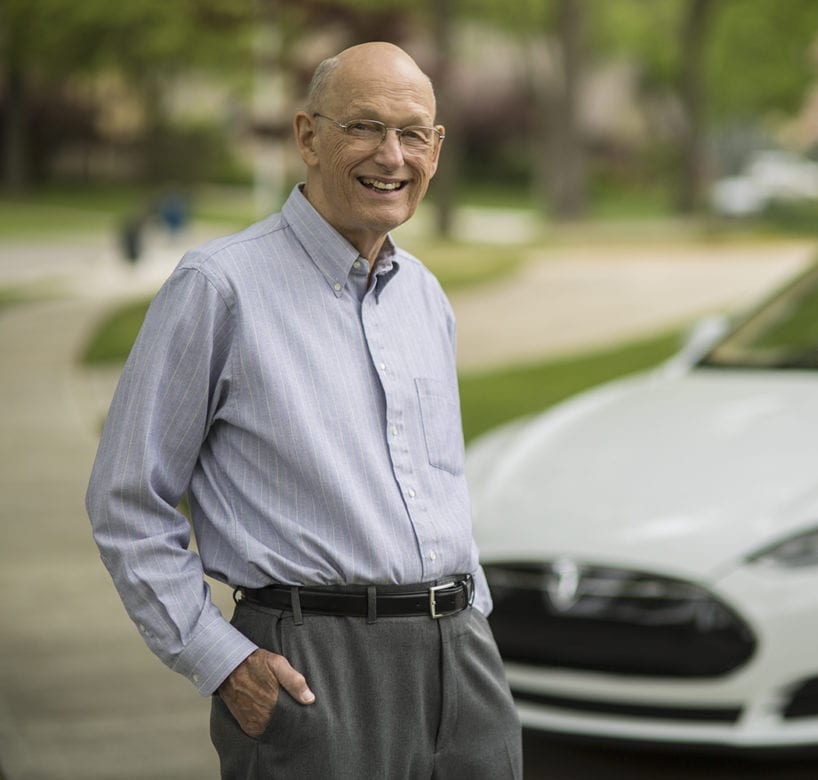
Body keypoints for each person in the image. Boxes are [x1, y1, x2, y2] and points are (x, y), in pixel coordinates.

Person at [86, 42, 522, 779]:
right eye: (364, 127)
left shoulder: (425, 296)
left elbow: (438, 483)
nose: (392, 155)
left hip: (462, 661)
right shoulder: (218, 288)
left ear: (437, 149)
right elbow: (127, 499)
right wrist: (222, 662)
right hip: (312, 671)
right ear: (307, 137)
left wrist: (471, 618)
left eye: (413, 133)